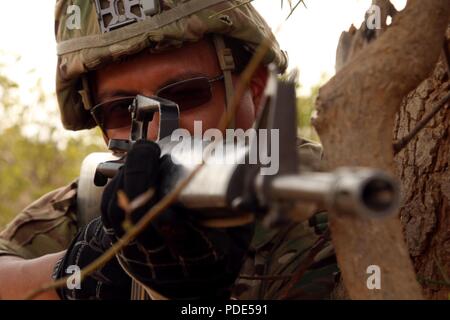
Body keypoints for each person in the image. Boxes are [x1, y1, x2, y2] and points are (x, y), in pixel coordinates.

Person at [0, 0, 339, 300]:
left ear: (255, 89)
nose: (154, 133)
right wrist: (75, 273)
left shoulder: (329, 214)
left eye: (185, 95)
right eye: (122, 110)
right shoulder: (88, 205)